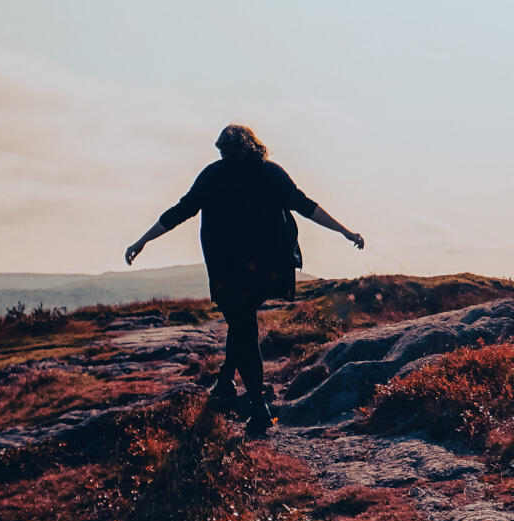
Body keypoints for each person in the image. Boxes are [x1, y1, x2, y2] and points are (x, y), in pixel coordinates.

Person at [125, 124, 364, 435]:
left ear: (224, 148)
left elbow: (179, 212)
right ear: (254, 144)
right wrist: (344, 230)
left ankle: (257, 407)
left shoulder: (213, 174)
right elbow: (306, 206)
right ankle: (226, 381)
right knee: (242, 325)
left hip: (227, 269)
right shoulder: (270, 172)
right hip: (265, 268)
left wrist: (142, 240)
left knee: (243, 329)